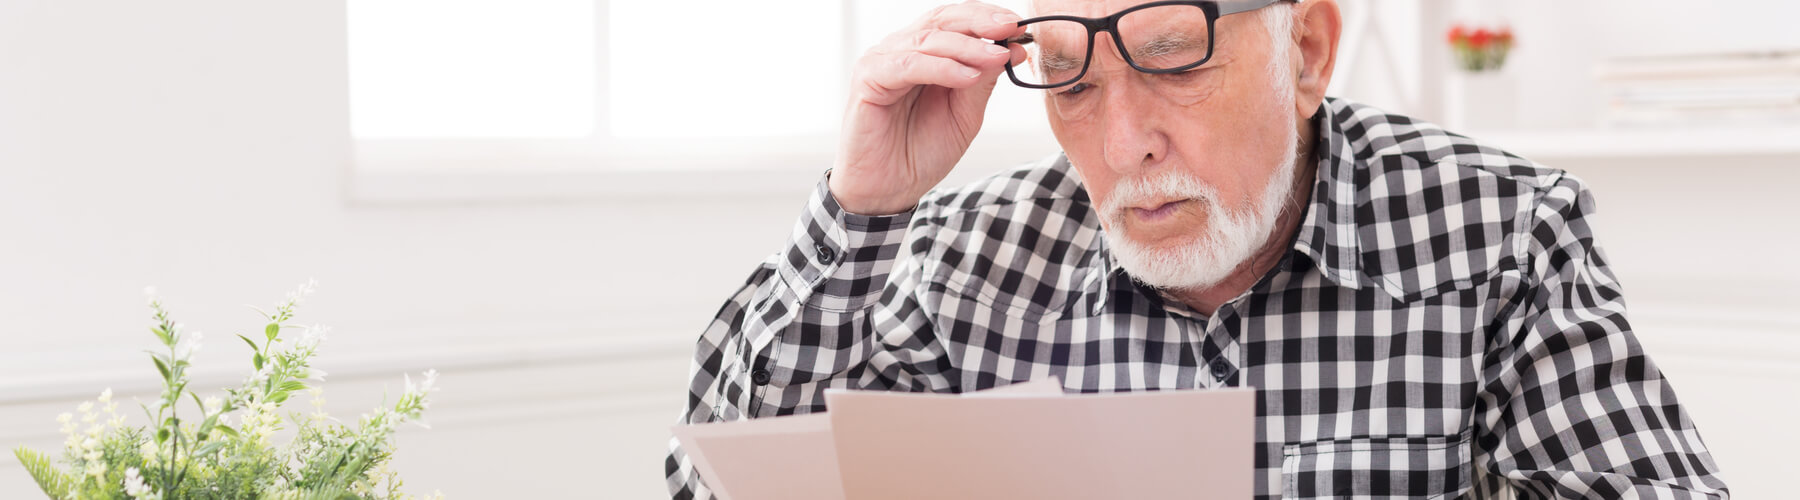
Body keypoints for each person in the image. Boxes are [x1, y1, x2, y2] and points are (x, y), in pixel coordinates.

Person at [666, 0, 1729, 498]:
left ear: (1305, 51)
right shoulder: (963, 256)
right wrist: (863, 207)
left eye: (1173, 60)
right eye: (1072, 81)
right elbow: (711, 485)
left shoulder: (1500, 230)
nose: (1124, 140)